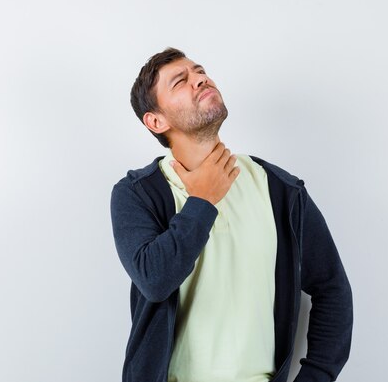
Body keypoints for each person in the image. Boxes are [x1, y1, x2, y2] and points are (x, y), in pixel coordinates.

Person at [110, 47, 353, 382]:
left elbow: (332, 287)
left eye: (199, 71)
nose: (199, 79)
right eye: (180, 81)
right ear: (156, 121)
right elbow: (154, 280)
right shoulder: (138, 193)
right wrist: (203, 200)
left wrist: (317, 374)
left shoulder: (280, 190)